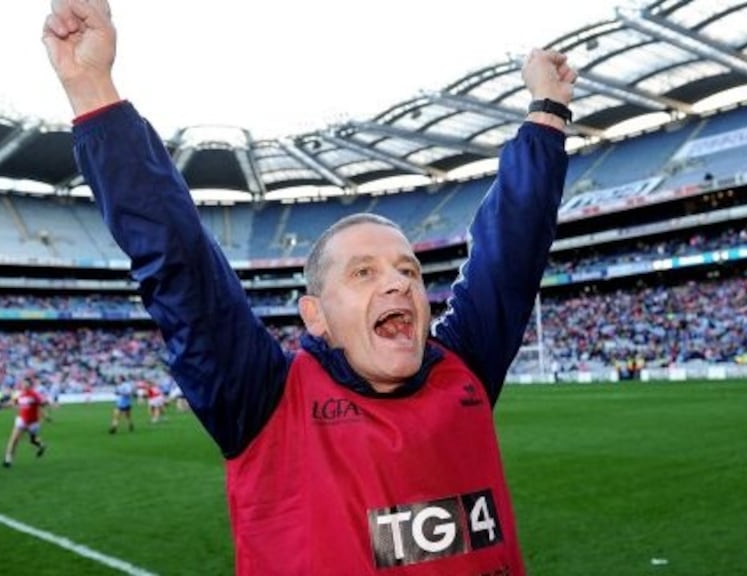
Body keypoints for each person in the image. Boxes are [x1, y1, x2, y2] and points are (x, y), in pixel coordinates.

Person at [43, 1, 574, 573]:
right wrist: (92, 87)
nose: (397, 283)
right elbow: (177, 257)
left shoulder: (461, 368)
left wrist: (547, 113)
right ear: (315, 315)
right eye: (363, 272)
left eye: (408, 271)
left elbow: (513, 249)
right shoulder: (264, 402)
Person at [2, 379, 48, 468]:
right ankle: (8, 460)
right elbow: (11, 403)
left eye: (26, 384)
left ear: (30, 385)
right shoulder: (18, 394)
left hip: (33, 422)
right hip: (22, 420)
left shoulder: (35, 395)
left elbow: (41, 405)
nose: (24, 386)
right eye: (22, 384)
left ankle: (41, 445)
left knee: (33, 440)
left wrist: (45, 413)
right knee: (14, 439)